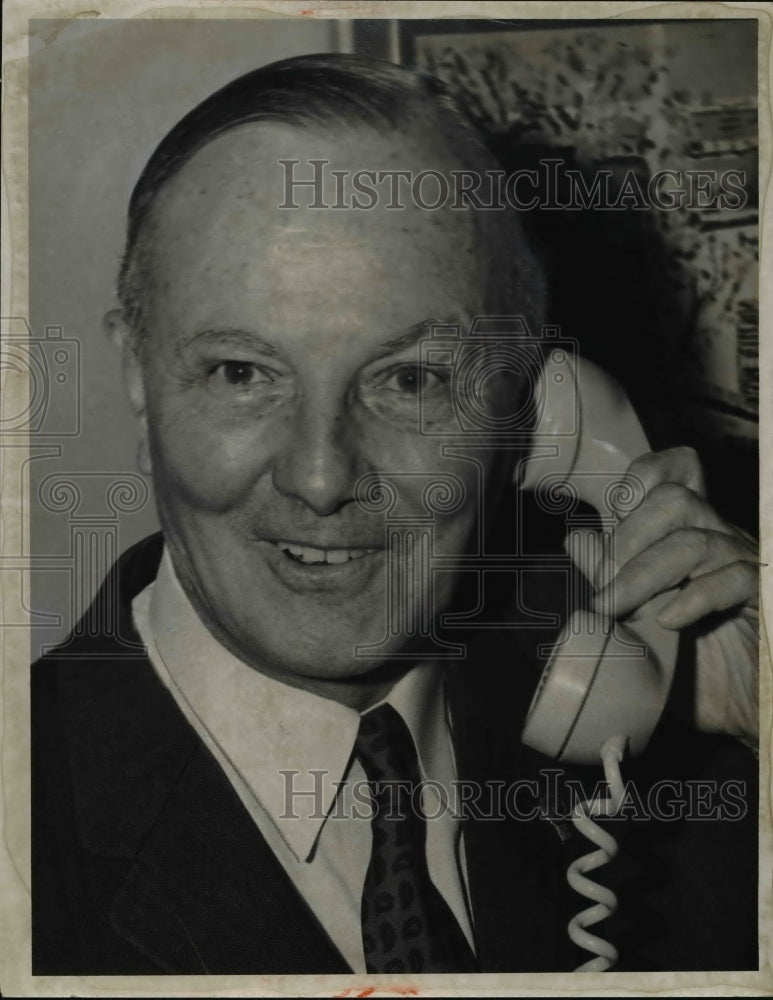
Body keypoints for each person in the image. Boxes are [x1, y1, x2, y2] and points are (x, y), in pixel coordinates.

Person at [31, 53, 759, 975]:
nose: (322, 477)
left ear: (531, 409)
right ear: (139, 380)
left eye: (410, 379)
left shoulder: (678, 782)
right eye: (242, 373)